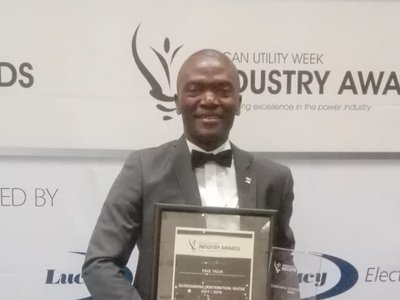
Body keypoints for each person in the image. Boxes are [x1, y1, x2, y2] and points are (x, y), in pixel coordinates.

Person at [82, 49, 296, 300]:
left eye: (223, 91)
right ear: (177, 101)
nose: (209, 100)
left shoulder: (275, 179)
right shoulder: (143, 169)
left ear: (239, 102)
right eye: (195, 89)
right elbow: (100, 264)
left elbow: (282, 271)